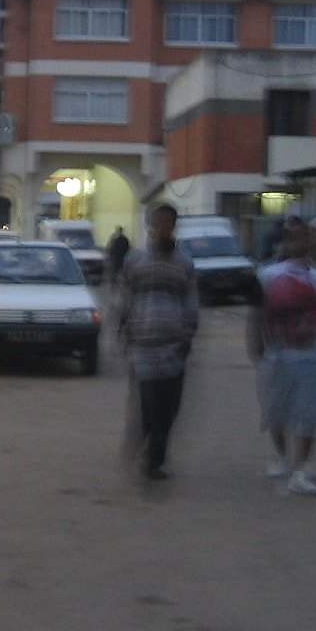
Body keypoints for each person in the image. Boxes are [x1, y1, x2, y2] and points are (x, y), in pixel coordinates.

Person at [250, 218, 316, 495]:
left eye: (305, 237)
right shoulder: (267, 275)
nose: (299, 243)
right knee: (276, 411)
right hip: (277, 354)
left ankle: (302, 468)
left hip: (309, 355)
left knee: (308, 415)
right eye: (293, 237)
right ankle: (282, 457)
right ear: (284, 241)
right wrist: (258, 347)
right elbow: (257, 313)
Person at [118, 203, 200, 481]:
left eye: (168, 223)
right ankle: (151, 460)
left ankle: (153, 455)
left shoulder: (184, 264)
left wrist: (187, 336)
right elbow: (124, 300)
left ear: (174, 226)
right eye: (158, 223)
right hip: (143, 346)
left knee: (169, 408)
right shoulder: (134, 260)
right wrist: (123, 334)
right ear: (150, 225)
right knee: (150, 405)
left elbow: (191, 304)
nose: (163, 228)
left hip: (174, 347)